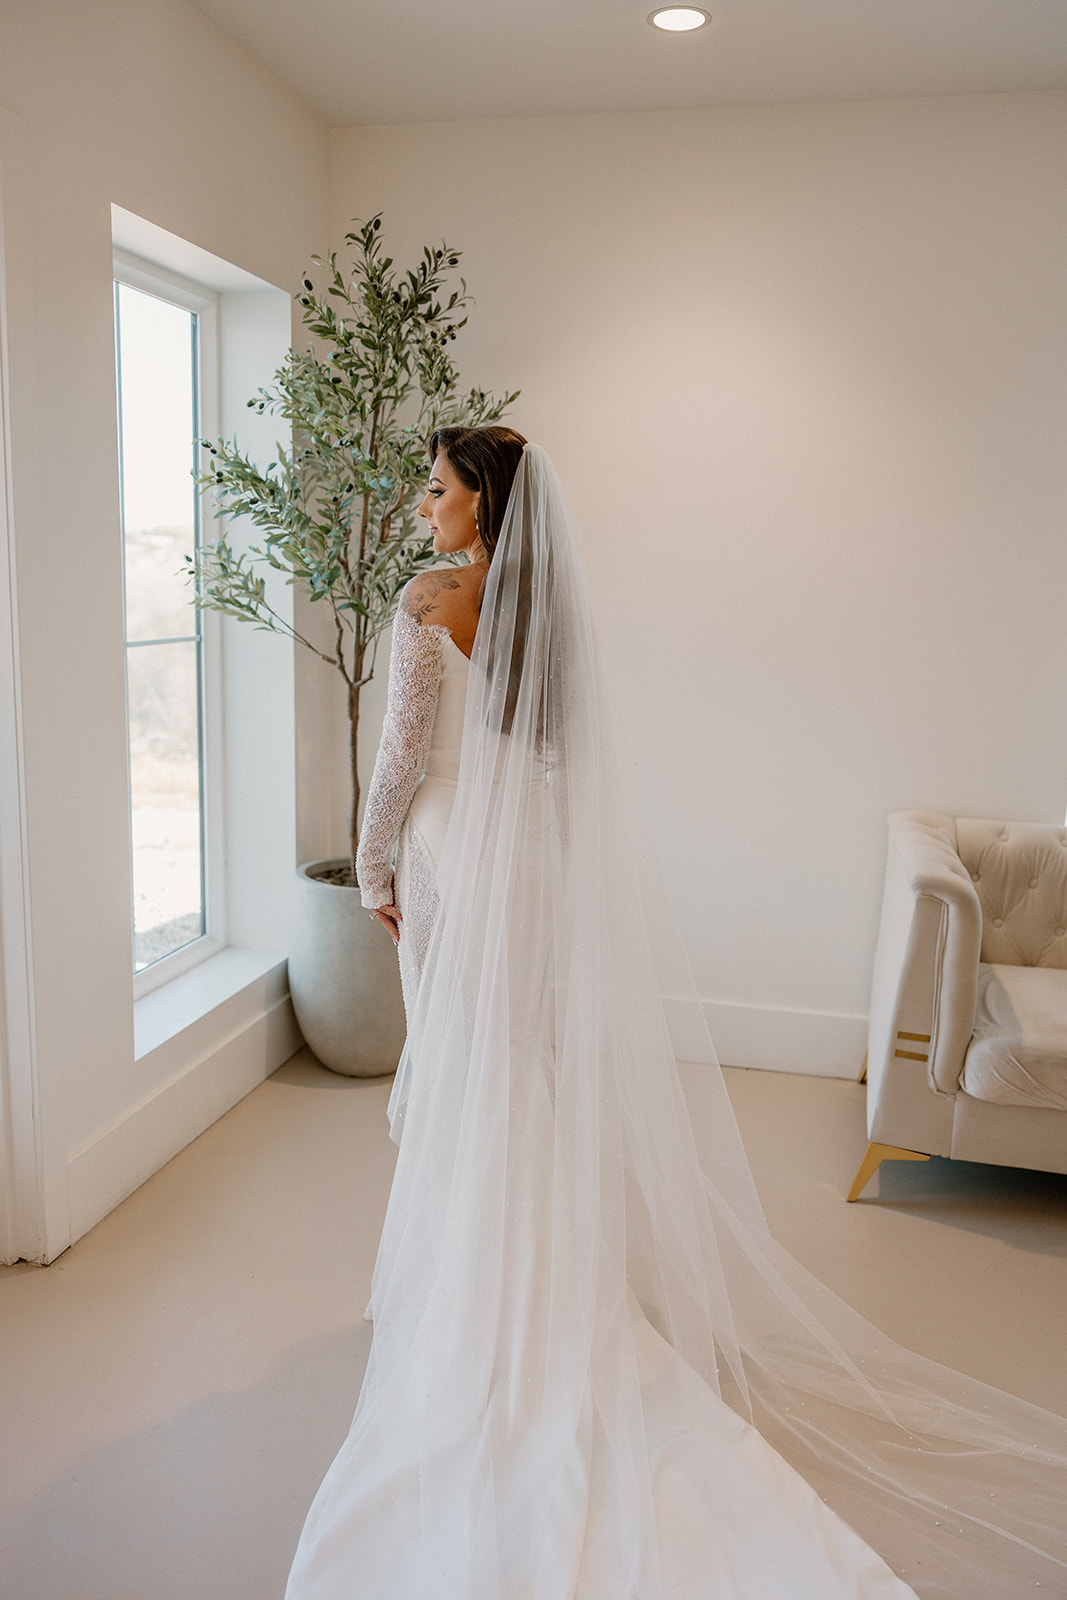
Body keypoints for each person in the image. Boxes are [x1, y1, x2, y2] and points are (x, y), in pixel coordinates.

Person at [285, 430, 1067, 1600]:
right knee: (504, 1057)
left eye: (437, 487)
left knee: (457, 1063)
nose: (422, 504)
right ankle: (526, 1271)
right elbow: (555, 756)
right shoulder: (545, 608)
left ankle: (459, 1288)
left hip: (447, 849)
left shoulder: (426, 597)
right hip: (524, 858)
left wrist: (372, 871)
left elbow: (399, 761)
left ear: (478, 502)